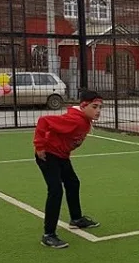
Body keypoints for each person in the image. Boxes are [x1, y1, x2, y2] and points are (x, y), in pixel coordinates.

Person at [33, 90, 103, 249]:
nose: (98, 110)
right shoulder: (74, 120)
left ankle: (76, 219)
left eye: (100, 107)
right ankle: (48, 235)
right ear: (84, 106)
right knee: (56, 190)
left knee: (73, 183)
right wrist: (39, 146)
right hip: (48, 155)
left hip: (61, 156)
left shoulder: (84, 120)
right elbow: (44, 121)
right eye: (95, 106)